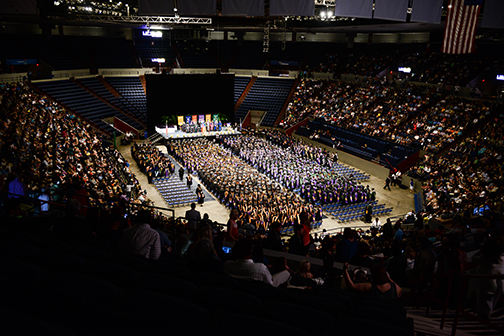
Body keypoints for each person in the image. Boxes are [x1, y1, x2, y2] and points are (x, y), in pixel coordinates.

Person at [224, 238, 290, 287]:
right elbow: (271, 284)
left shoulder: (228, 265)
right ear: (251, 251)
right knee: (286, 273)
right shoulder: (260, 268)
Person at [472, 236, 504, 320]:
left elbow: (473, 258)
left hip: (486, 285)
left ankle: (484, 321)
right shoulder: (502, 258)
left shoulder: (485, 258)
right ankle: (486, 319)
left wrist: (482, 250)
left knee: (484, 305)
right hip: (499, 285)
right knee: (491, 304)